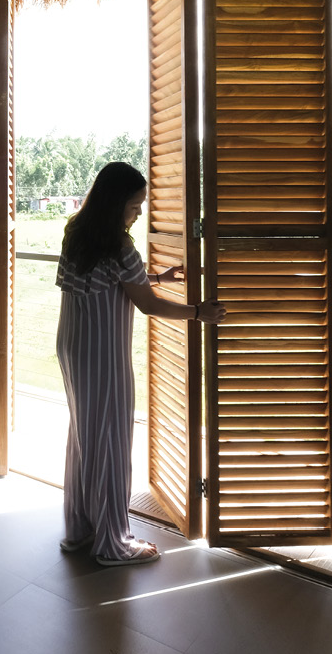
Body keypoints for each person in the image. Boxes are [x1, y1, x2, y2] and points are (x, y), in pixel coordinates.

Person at [55, 161, 226, 566]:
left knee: (85, 439)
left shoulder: (77, 233)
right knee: (111, 442)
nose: (138, 214)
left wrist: (160, 277)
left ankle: (81, 529)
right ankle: (113, 543)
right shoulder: (119, 245)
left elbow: (117, 278)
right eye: (134, 207)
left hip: (72, 347)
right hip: (102, 355)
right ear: (116, 204)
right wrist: (198, 312)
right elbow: (146, 305)